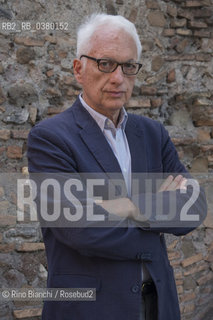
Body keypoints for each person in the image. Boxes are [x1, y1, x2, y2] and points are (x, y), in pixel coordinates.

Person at [27, 13, 207, 320]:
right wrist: (160, 204)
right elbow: (81, 230)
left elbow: (194, 207)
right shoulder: (50, 138)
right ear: (78, 69)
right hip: (91, 309)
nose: (118, 78)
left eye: (128, 66)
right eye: (105, 64)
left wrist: (122, 206)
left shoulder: (152, 134)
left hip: (158, 305)